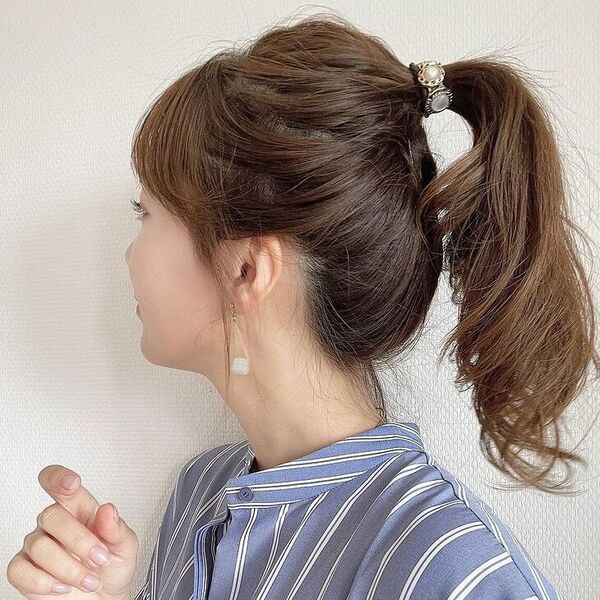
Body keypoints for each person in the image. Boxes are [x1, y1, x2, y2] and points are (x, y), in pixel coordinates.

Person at [8, 11, 597, 600]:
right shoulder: (201, 495)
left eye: (148, 214)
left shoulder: (452, 573)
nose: (130, 254)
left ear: (247, 269)